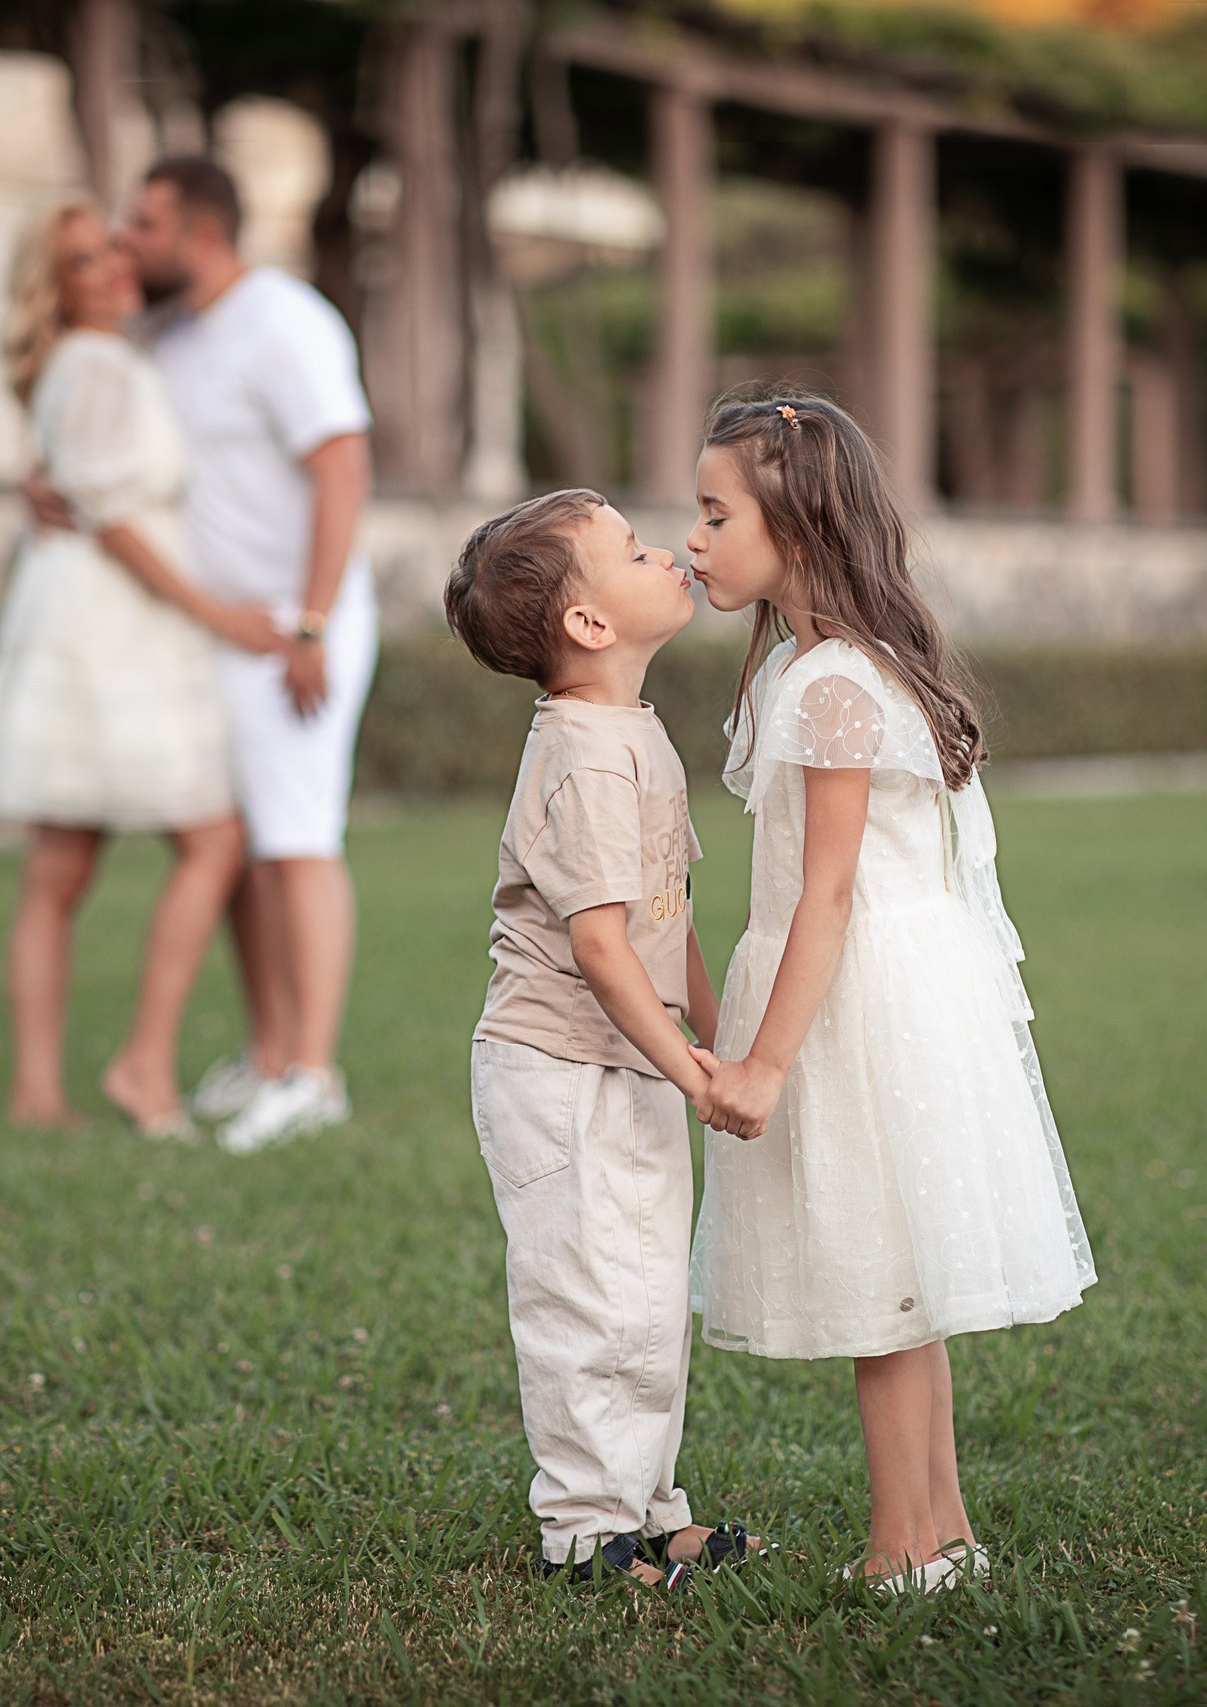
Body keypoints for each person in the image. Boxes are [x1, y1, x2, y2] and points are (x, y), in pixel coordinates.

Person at [683, 396, 1097, 1593]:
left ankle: (900, 1545)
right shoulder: (840, 668)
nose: (695, 540)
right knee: (902, 1287)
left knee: (877, 1285)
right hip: (897, 988)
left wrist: (760, 1059)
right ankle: (943, 1533)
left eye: (717, 515)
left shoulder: (825, 686)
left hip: (858, 1000)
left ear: (799, 531)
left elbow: (827, 898)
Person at [442, 487, 764, 1589]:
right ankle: (585, 1533)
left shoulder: (628, 731)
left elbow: (665, 926)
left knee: (643, 1293)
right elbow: (600, 948)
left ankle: (649, 1509)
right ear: (588, 625)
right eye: (634, 551)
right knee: (588, 1298)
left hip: (627, 1060)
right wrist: (690, 1069)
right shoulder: (582, 755)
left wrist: (726, 1050)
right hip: (562, 1071)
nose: (668, 550)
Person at [31, 157, 376, 1155]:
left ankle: (314, 1074)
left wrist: (310, 623)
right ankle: (269, 1053)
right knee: (235, 851)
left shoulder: (285, 321)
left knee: (298, 839)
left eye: (143, 224)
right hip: (215, 631)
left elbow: (342, 466)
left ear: (203, 231)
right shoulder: (170, 338)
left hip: (289, 630)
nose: (126, 242)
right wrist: (39, 490)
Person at [0, 199, 280, 1135]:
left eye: (112, 248)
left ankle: (39, 1092)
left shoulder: (94, 358)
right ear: (54, 286)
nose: (109, 267)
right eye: (82, 260)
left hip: (80, 615)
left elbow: (72, 479)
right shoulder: (96, 359)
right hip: (112, 629)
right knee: (209, 839)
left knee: (59, 870)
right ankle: (139, 1066)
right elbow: (111, 517)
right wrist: (217, 613)